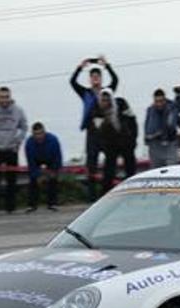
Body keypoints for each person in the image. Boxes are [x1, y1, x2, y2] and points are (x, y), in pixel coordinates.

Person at [71, 56, 119, 201]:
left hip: (107, 132)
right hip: (92, 133)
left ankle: (110, 194)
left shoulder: (107, 91)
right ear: (90, 79)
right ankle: (92, 197)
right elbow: (72, 82)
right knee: (91, 165)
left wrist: (107, 65)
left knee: (110, 162)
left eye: (98, 76)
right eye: (93, 77)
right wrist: (80, 67)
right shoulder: (85, 92)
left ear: (101, 78)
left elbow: (115, 80)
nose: (95, 79)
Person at [0, 86, 27, 214]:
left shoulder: (18, 111)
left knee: (11, 179)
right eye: (2, 97)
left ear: (10, 97)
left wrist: (18, 141)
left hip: (11, 149)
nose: (4, 100)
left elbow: (24, 127)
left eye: (7, 97)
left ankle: (10, 207)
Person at [90, 88, 138, 195]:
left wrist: (133, 138)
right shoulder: (98, 111)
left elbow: (132, 120)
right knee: (109, 170)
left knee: (130, 167)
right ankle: (105, 193)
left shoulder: (122, 103)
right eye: (103, 100)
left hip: (126, 141)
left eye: (107, 100)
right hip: (110, 144)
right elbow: (99, 131)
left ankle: (133, 191)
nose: (105, 102)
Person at [24, 122, 62, 212]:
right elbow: (30, 161)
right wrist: (37, 174)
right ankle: (32, 205)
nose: (39, 136)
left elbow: (58, 157)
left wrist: (54, 170)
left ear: (44, 132)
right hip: (36, 160)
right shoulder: (29, 142)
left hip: (50, 159)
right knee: (33, 180)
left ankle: (52, 203)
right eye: (36, 134)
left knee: (53, 179)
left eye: (41, 133)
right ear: (33, 134)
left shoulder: (53, 140)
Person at [144, 89, 179, 167]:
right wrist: (147, 138)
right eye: (156, 101)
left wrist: (158, 133)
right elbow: (147, 125)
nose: (159, 104)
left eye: (161, 101)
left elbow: (171, 125)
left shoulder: (172, 109)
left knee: (172, 167)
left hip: (170, 143)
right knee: (155, 169)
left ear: (165, 100)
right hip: (154, 144)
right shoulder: (150, 110)